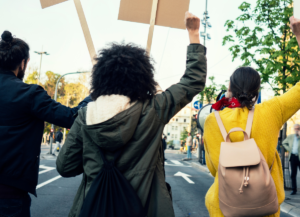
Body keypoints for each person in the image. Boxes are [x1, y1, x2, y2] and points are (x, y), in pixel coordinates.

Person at [56, 12, 207, 217]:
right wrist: (193, 33)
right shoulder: (154, 109)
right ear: (143, 78)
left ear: (101, 79)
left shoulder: (85, 116)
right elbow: (193, 80)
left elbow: (65, 167)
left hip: (94, 208)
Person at [203, 16, 300, 217]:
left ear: (229, 88)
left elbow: (213, 169)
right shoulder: (272, 111)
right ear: (257, 91)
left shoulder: (213, 120)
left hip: (223, 208)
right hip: (264, 206)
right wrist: (299, 35)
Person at [0, 31, 92, 217]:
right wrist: (95, 95)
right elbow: (71, 117)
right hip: (9, 192)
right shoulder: (28, 94)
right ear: (24, 63)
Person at [282, 124, 300, 195]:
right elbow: (284, 143)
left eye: (298, 128)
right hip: (293, 157)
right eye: (295, 128)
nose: (296, 130)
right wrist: (290, 149)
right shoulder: (290, 137)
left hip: (299, 157)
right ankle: (294, 189)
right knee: (293, 174)